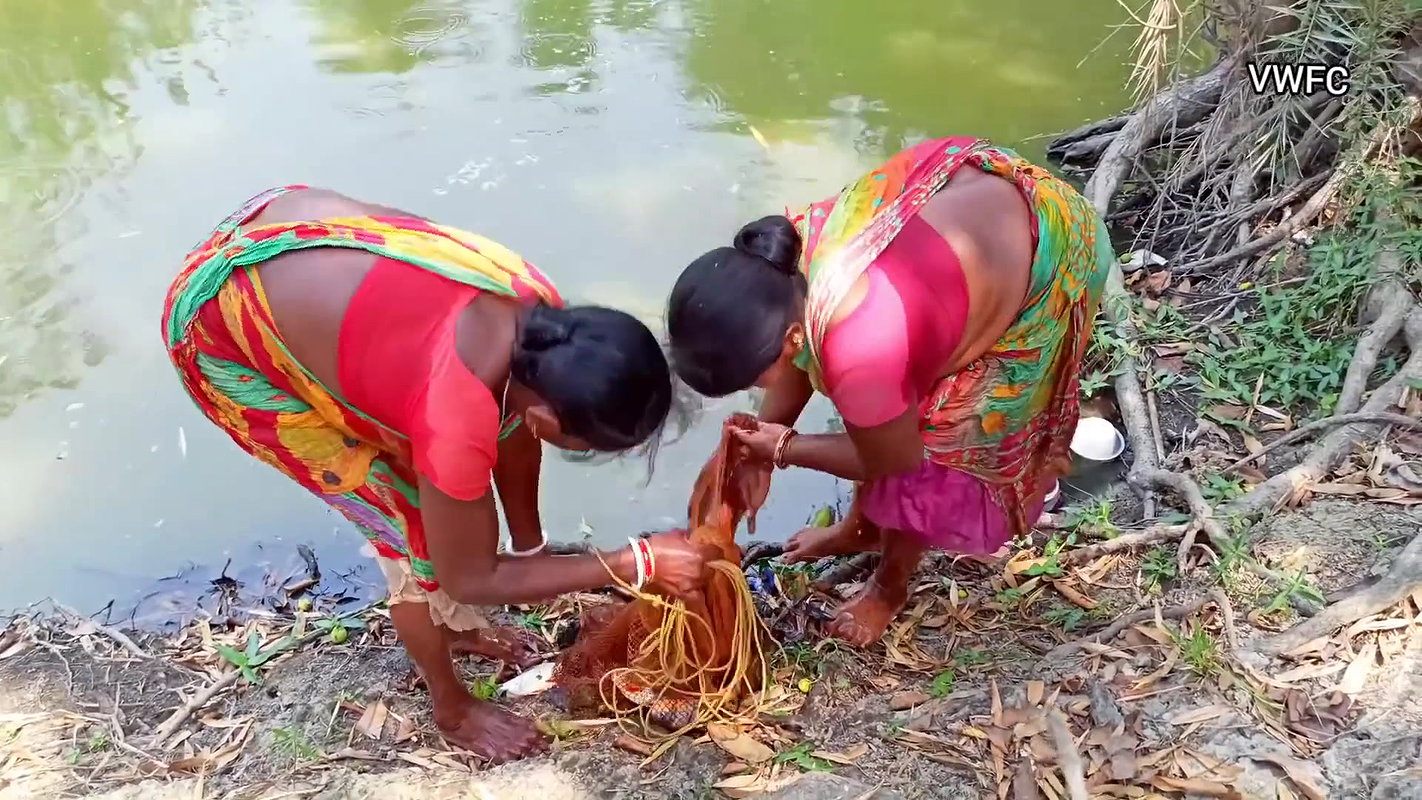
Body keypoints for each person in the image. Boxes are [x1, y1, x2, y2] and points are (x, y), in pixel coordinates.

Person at [162, 186, 715, 763]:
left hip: (288, 231)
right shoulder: (454, 417)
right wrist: (632, 562)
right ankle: (452, 708)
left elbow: (513, 428)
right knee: (413, 540)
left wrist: (531, 551)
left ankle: (460, 627)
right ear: (549, 420)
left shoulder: (539, 313)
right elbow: (468, 577)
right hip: (221, 325)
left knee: (440, 476)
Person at [667, 137, 1113, 647]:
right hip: (975, 199)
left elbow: (898, 461)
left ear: (789, 339)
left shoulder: (862, 346)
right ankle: (858, 531)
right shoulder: (779, 265)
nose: (754, 390)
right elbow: (800, 358)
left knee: (930, 459)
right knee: (877, 413)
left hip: (1050, 248)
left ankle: (888, 588)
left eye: (752, 379)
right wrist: (758, 450)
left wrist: (784, 448)